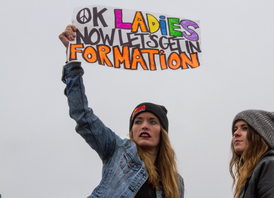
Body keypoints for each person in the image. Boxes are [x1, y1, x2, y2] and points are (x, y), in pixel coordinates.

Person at [59, 25, 184, 198]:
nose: (144, 126)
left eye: (152, 121)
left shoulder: (176, 182)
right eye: (138, 121)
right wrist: (72, 60)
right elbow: (82, 115)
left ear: (163, 132)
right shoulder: (117, 150)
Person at [229, 109, 274, 198]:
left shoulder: (271, 166)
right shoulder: (252, 174)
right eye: (235, 129)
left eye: (244, 128)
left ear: (260, 135)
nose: (236, 133)